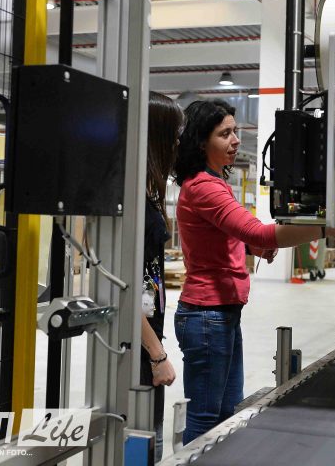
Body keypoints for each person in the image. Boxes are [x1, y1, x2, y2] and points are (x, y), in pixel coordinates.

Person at [173, 99, 335, 444]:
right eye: (225, 134)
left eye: (235, 131)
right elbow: (258, 231)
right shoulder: (204, 186)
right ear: (202, 142)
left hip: (221, 312)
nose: (236, 140)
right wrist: (327, 230)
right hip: (206, 315)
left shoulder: (214, 182)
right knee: (205, 418)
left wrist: (249, 248)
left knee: (227, 410)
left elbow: (219, 237)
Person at [139, 92, 182, 462]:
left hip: (148, 335)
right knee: (140, 439)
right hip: (137, 346)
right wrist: (156, 355)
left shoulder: (147, 193)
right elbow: (124, 289)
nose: (178, 145)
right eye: (175, 135)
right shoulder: (132, 199)